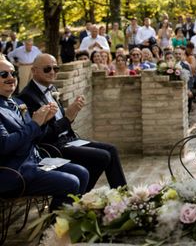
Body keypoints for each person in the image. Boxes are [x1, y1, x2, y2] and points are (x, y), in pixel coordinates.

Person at [19, 54, 127, 192]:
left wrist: (73, 112)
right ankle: (81, 195)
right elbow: (42, 135)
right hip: (52, 146)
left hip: (68, 138)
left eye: (55, 68)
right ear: (34, 71)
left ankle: (122, 194)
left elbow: (61, 121)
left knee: (111, 149)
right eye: (47, 69)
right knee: (103, 157)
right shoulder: (27, 96)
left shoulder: (52, 88)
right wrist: (68, 118)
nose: (52, 72)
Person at [0, 58, 89, 210]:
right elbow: (4, 145)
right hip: (15, 172)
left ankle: (65, 222)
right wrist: (35, 123)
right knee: (71, 182)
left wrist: (44, 122)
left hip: (35, 161)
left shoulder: (16, 101)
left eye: (13, 73)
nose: (10, 77)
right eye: (3, 74)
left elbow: (35, 136)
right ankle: (54, 229)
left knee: (82, 172)